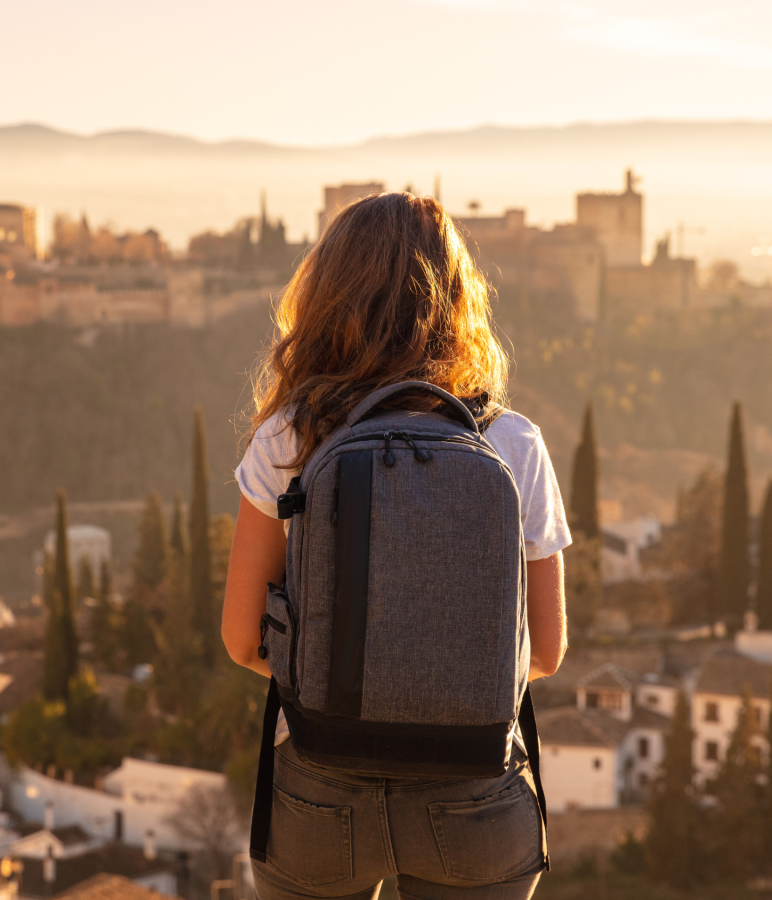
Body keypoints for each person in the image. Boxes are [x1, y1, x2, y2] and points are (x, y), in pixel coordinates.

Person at [222, 191, 571, 900]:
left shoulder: (288, 436)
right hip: (475, 794)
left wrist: (345, 691)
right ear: (456, 300)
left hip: (321, 785)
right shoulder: (512, 444)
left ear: (327, 296)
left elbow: (241, 639)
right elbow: (545, 651)